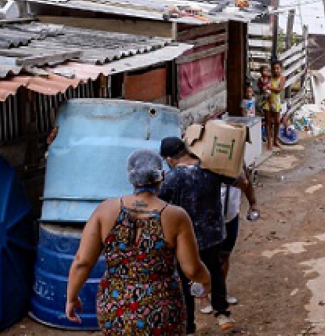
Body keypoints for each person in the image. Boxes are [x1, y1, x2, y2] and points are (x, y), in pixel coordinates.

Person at [65, 149, 211, 335]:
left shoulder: (105, 210)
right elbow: (192, 269)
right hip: (161, 309)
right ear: (161, 176)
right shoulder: (175, 216)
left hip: (115, 307)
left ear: (131, 177)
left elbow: (82, 262)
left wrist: (71, 297)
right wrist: (206, 280)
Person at [158, 137, 236, 332]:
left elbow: (158, 203)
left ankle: (188, 325)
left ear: (169, 159)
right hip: (213, 233)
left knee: (183, 280)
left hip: (185, 238)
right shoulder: (209, 168)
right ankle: (222, 314)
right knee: (215, 271)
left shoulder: (171, 178)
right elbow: (234, 179)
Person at [199, 165, 260, 314]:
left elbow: (246, 181)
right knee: (206, 258)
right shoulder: (205, 160)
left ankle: (220, 293)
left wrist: (252, 203)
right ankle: (203, 296)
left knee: (224, 255)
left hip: (231, 216)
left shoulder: (236, 160)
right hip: (209, 219)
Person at [261, 61, 285, 150]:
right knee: (268, 122)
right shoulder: (269, 77)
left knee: (277, 121)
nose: (276, 70)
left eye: (278, 68)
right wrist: (264, 87)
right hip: (268, 100)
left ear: (281, 69)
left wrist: (269, 87)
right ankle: (269, 141)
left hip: (276, 101)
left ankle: (275, 140)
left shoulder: (282, 78)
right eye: (274, 69)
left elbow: (279, 89)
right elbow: (263, 84)